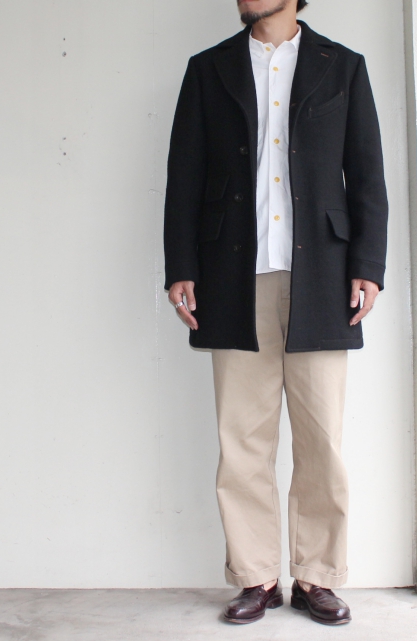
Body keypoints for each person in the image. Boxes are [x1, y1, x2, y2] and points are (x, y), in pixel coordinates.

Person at [163, 0, 388, 626]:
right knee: (242, 439)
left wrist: (368, 264)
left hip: (324, 275)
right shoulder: (208, 69)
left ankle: (318, 576)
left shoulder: (342, 66)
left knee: (322, 439)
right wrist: (181, 265)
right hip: (234, 274)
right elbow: (185, 173)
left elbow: (366, 173)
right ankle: (256, 576)